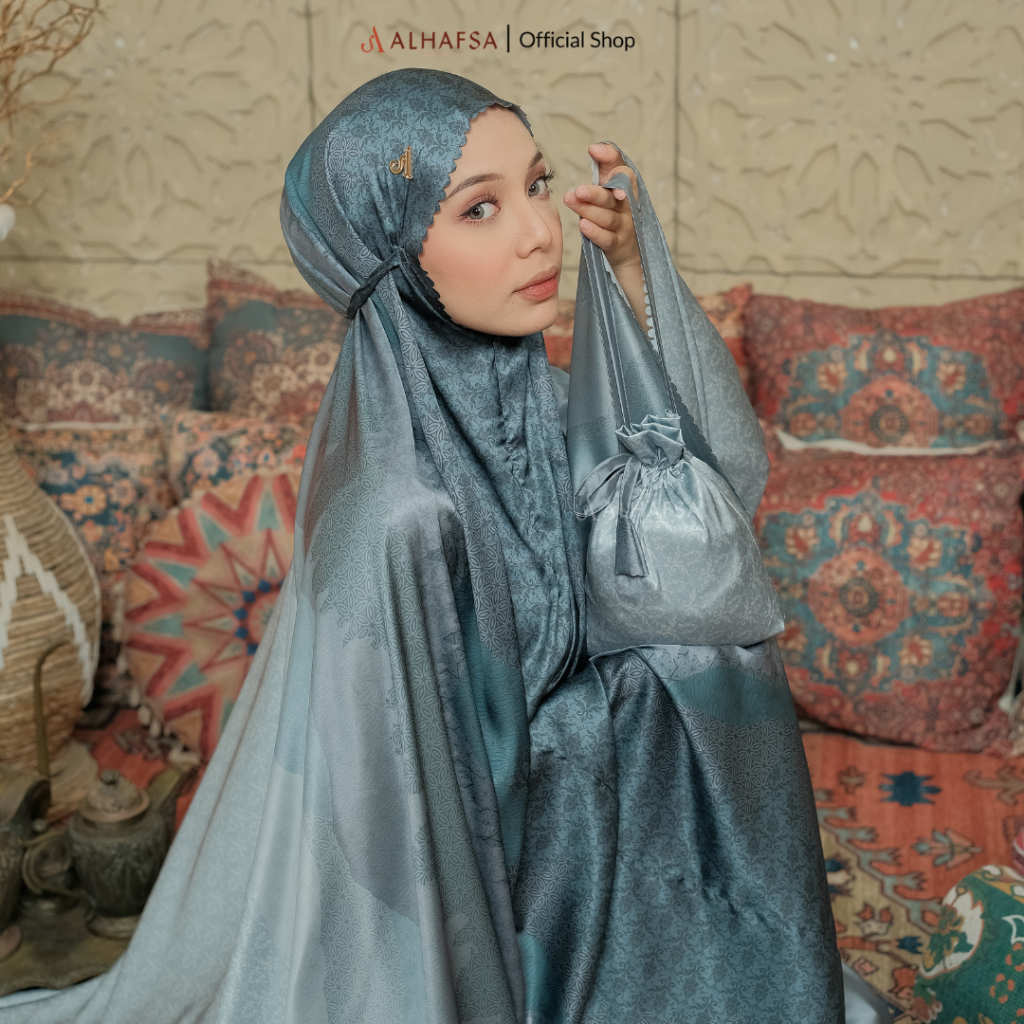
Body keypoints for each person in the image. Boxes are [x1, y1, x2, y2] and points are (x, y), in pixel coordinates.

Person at [0, 68, 879, 1023]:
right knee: (702, 669)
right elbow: (403, 816)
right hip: (481, 884)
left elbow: (713, 502)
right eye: (479, 209)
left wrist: (635, 270)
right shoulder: (398, 513)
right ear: (394, 259)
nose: (539, 233)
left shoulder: (543, 399)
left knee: (715, 651)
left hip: (574, 824)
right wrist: (622, 709)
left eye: (538, 186)